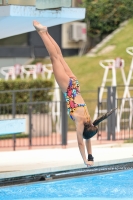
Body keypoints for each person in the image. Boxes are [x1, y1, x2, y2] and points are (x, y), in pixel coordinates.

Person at [33, 20, 115, 167]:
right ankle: (41, 33)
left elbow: (88, 138)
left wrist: (91, 157)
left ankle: (46, 32)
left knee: (59, 56)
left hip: (75, 84)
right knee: (54, 58)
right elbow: (81, 143)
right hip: (68, 88)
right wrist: (85, 160)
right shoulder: (79, 122)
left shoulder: (89, 120)